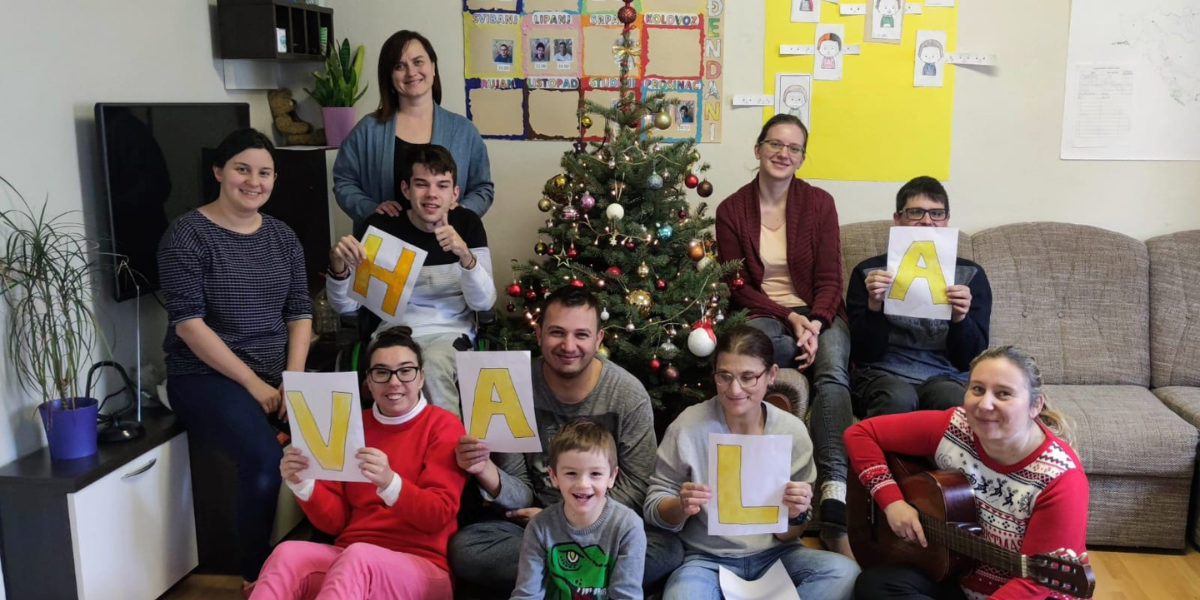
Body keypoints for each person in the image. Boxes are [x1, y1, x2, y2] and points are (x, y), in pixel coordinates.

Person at [449, 287, 682, 596]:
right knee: (467, 548)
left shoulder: (627, 394)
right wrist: (484, 469)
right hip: (535, 528)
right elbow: (520, 492)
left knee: (667, 549)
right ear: (539, 333)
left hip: (605, 527)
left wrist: (572, 519)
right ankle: (588, 585)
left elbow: (637, 486)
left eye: (581, 335)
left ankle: (554, 583)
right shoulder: (511, 385)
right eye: (557, 332)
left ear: (599, 340)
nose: (568, 345)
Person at [158, 128, 313, 592]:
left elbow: (300, 313)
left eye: (264, 172)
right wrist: (254, 384)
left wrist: (295, 381)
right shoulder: (187, 235)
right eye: (242, 169)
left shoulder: (283, 236)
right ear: (219, 172)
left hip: (276, 371)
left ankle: (326, 550)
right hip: (204, 375)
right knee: (264, 460)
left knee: (337, 436)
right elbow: (188, 324)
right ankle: (256, 576)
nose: (254, 181)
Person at [714, 113, 855, 557]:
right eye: (775, 144)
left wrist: (813, 322)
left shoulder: (819, 203)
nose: (783, 154)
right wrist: (790, 321)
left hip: (821, 316)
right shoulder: (731, 209)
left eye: (793, 148)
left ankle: (833, 498)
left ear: (802, 158)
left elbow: (832, 277)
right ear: (757, 150)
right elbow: (738, 287)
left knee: (832, 373)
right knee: (747, 353)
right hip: (766, 316)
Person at [846, 345, 1089, 600]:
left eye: (1003, 394)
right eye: (978, 389)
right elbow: (860, 433)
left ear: (1035, 405)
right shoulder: (955, 426)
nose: (985, 404)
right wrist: (892, 502)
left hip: (1029, 595)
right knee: (875, 584)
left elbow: (1034, 584)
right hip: (961, 578)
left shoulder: (1061, 479)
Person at [250, 327, 468, 599]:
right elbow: (336, 523)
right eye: (381, 372)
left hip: (423, 567)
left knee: (358, 557)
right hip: (350, 557)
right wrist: (304, 484)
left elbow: (438, 516)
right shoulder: (353, 426)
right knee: (287, 553)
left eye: (406, 370)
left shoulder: (443, 425)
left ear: (421, 377)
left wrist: (391, 483)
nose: (394, 382)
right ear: (368, 381)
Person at [645, 325, 859, 600]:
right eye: (725, 376)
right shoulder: (688, 425)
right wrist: (680, 506)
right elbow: (654, 507)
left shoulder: (791, 432)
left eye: (748, 377)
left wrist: (796, 513)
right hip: (707, 558)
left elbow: (790, 534)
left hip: (777, 555)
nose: (735, 389)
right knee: (682, 595)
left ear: (771, 375)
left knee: (846, 573)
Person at [326, 145, 495, 417]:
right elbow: (347, 308)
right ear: (406, 190)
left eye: (442, 185)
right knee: (398, 371)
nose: (431, 194)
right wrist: (338, 268)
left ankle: (445, 448)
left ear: (455, 194)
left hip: (450, 332)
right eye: (421, 184)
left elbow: (484, 302)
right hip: (393, 331)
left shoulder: (466, 224)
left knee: (435, 364)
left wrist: (465, 256)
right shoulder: (383, 226)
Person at [847, 176, 992, 419]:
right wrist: (874, 306)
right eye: (916, 212)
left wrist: (960, 318)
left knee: (951, 400)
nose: (927, 221)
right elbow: (863, 353)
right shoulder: (869, 273)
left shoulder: (970, 275)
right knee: (898, 398)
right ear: (898, 218)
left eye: (936, 213)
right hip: (883, 373)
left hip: (945, 376)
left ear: (947, 220)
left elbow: (970, 358)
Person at [334, 30, 493, 231]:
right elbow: (344, 182)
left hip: (445, 245)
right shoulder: (368, 129)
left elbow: (483, 188)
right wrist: (371, 210)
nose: (411, 72)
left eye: (418, 62)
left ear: (433, 67)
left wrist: (461, 210)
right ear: (389, 76)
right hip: (382, 247)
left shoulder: (464, 131)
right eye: (399, 66)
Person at [510, 420, 647, 600]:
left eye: (595, 474)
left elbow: (626, 596)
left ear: (612, 477)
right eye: (571, 473)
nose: (583, 484)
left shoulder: (629, 527)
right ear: (554, 476)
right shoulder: (539, 526)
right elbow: (527, 594)